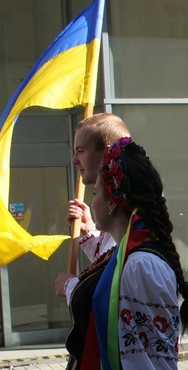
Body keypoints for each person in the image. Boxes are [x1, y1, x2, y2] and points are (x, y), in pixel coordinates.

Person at [62, 137, 188, 370]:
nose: (92, 203)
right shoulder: (128, 253)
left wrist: (70, 287)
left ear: (112, 204)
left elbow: (146, 359)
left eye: (95, 194)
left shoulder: (141, 265)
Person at [54, 113, 130, 301]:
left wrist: (72, 287)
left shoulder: (130, 202)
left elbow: (115, 289)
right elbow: (109, 257)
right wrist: (89, 231)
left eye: (81, 150)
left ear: (106, 152)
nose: (74, 160)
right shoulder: (123, 199)